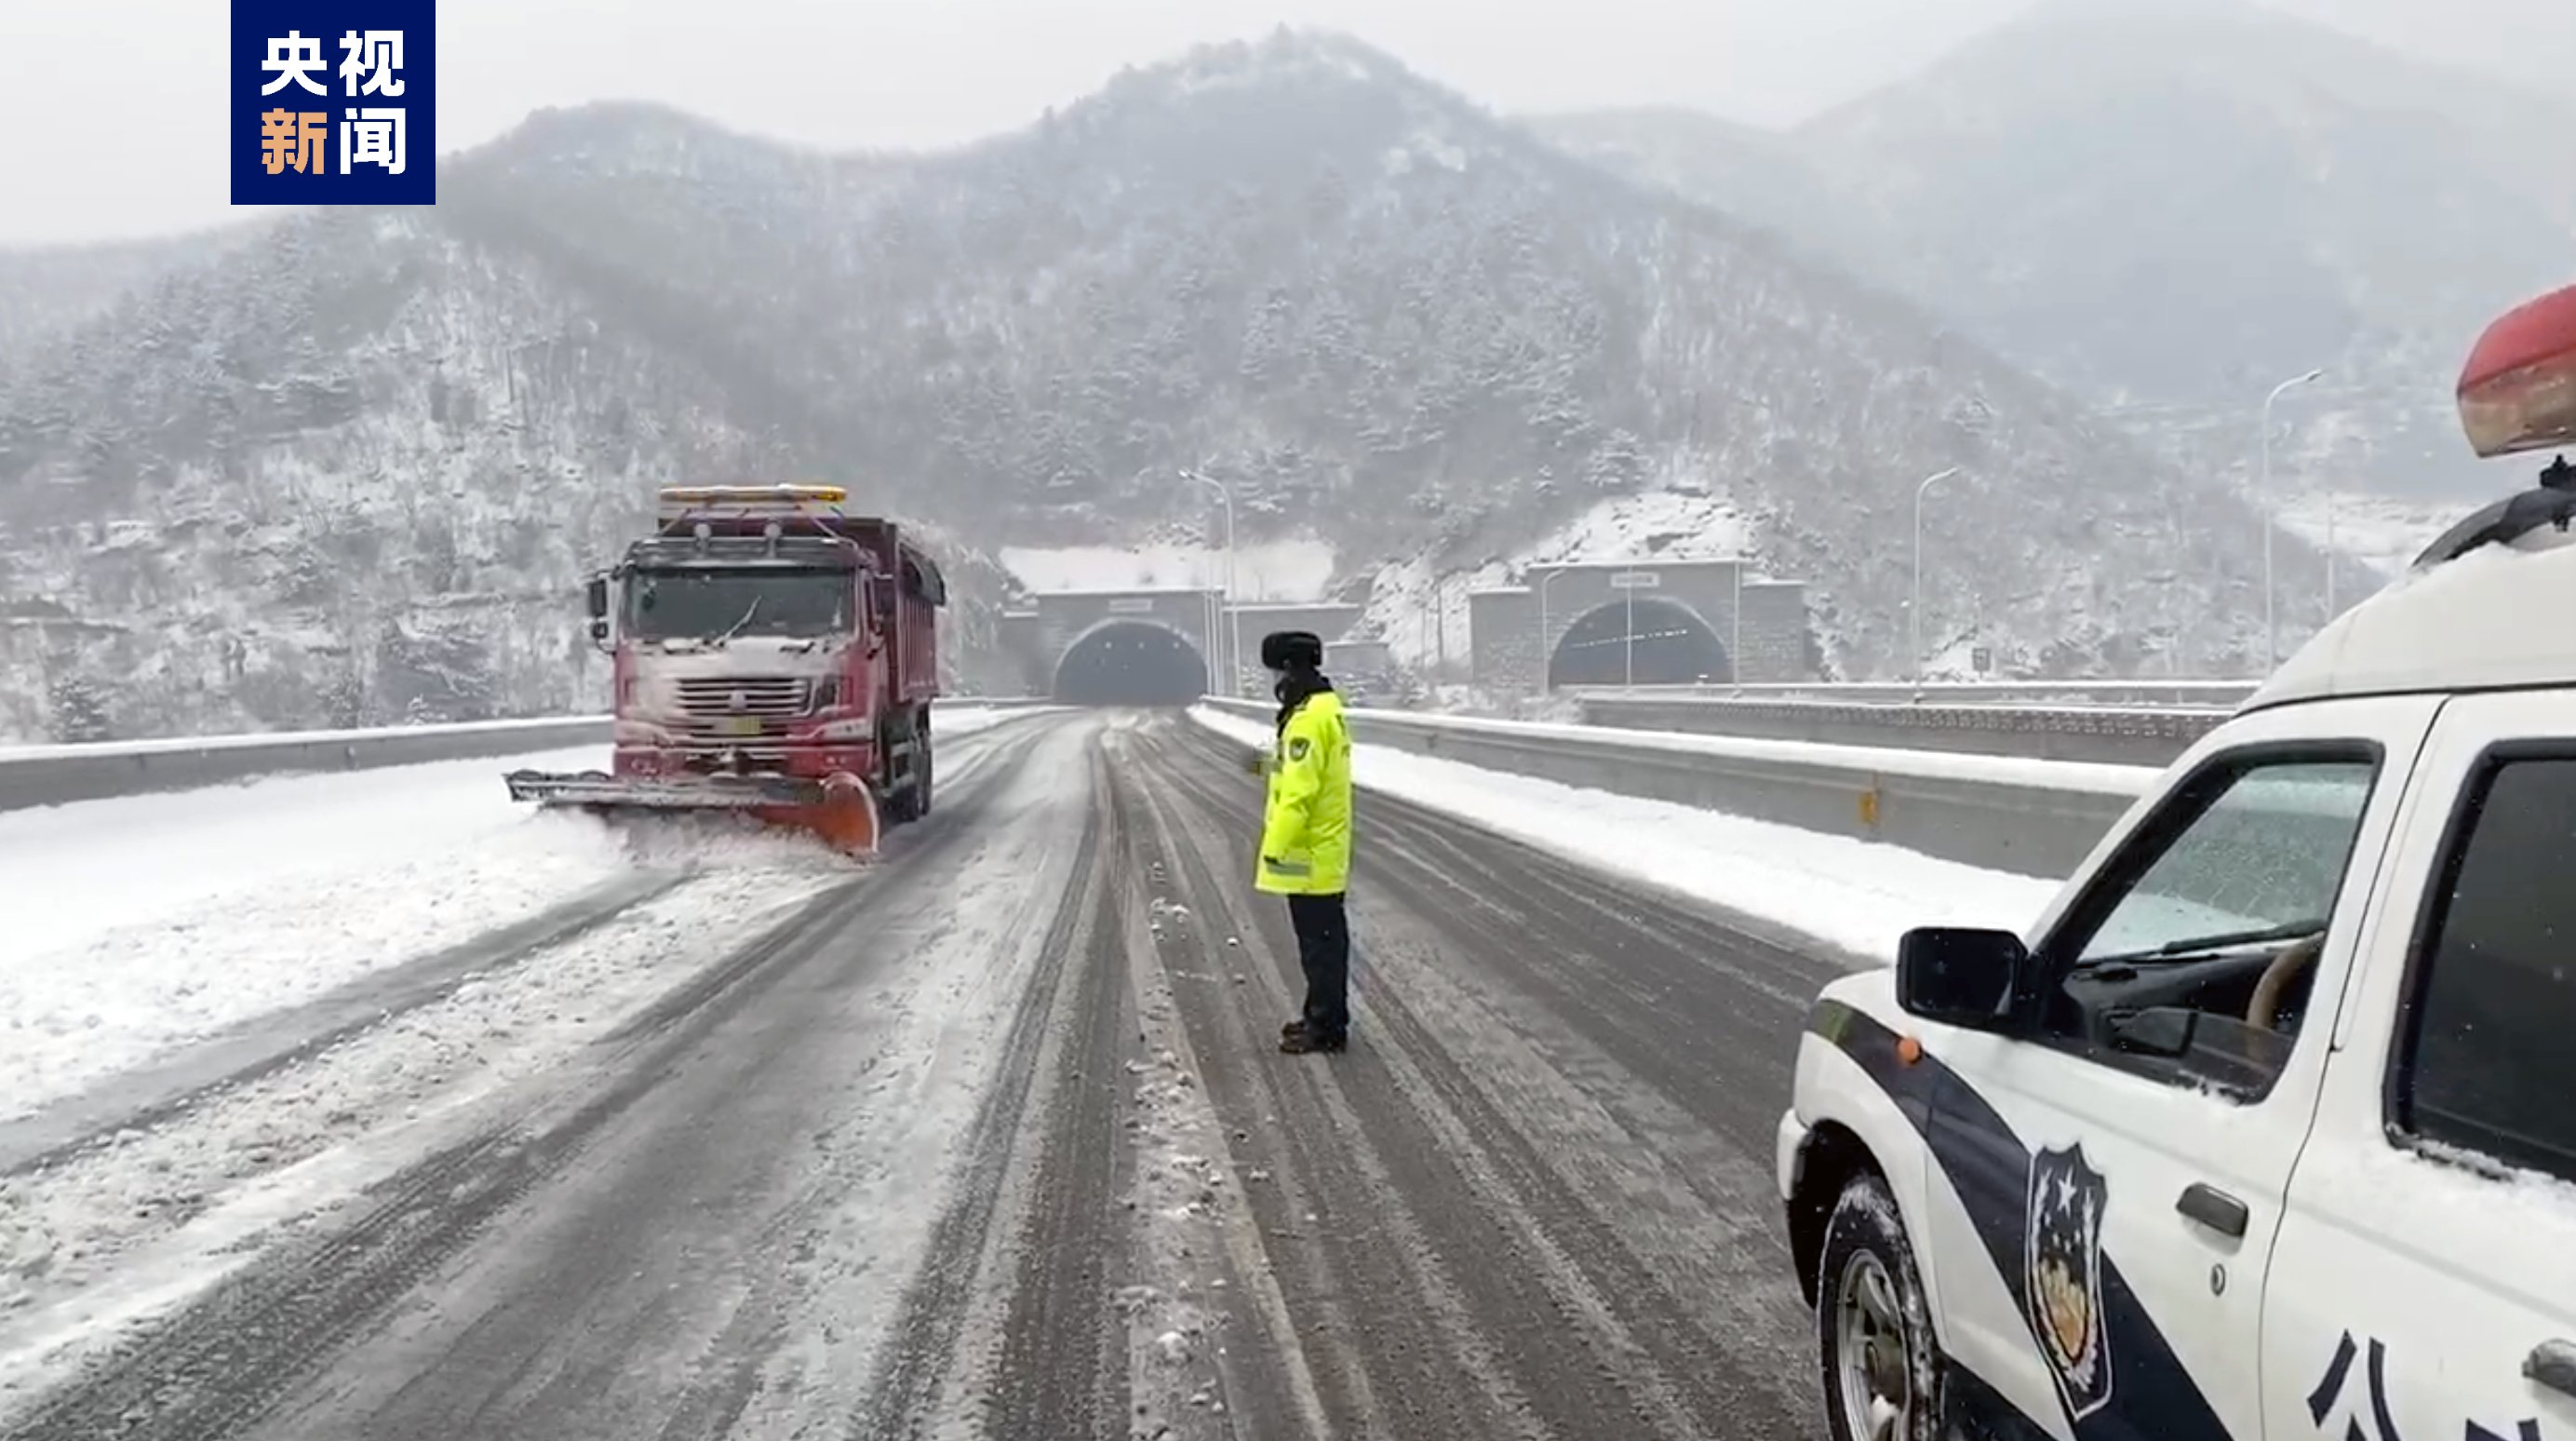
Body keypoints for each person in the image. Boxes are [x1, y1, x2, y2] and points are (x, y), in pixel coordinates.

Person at [1252, 629, 1355, 1054]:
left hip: (1308, 853)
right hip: (1320, 850)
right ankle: (1319, 1015)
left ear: (1290, 669)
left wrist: (1273, 848)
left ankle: (1327, 1028)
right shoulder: (1319, 709)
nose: (1271, 681)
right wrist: (1256, 764)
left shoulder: (1307, 720)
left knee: (1321, 945)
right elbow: (1292, 769)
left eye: (1275, 670)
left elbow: (1299, 792)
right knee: (1321, 940)